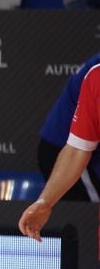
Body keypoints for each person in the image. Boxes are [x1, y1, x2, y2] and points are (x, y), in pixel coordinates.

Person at [37, 51, 100, 202]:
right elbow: (78, 148)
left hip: (84, 149)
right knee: (87, 213)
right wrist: (44, 203)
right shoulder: (96, 72)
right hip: (64, 148)